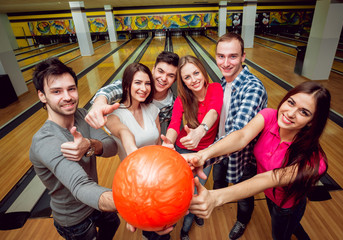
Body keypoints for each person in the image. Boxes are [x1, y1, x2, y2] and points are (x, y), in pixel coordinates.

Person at [185, 82, 331, 240]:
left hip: (286, 205)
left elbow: (269, 178)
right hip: (270, 196)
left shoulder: (315, 162)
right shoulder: (269, 116)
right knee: (291, 225)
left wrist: (215, 197)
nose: (290, 113)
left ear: (311, 122)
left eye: (304, 112)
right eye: (291, 102)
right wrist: (202, 155)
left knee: (280, 233)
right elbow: (241, 136)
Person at [29, 58, 120, 240]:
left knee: (113, 222)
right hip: (74, 219)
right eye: (56, 91)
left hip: (94, 199)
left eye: (71, 88)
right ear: (42, 96)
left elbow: (112, 147)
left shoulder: (81, 115)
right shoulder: (45, 140)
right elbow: (80, 185)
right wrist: (135, 202)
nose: (68, 96)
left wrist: (89, 144)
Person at [104, 62, 171, 240]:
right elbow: (121, 131)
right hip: (135, 183)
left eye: (147, 83)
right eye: (138, 83)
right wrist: (132, 147)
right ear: (126, 85)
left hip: (158, 178)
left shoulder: (152, 109)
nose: (144, 88)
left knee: (166, 222)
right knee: (152, 229)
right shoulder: (114, 116)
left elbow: (157, 143)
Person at [211, 32, 268, 239]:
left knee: (244, 195)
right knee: (218, 180)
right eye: (221, 56)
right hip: (220, 149)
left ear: (243, 57)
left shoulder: (252, 88)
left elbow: (238, 135)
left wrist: (203, 155)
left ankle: (242, 221)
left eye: (233, 56)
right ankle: (220, 196)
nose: (225, 63)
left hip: (242, 157)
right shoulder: (223, 81)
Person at [161, 55, 223, 240]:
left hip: (206, 153)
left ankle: (186, 228)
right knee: (180, 189)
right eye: (187, 77)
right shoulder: (182, 100)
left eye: (196, 73)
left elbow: (213, 110)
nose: (193, 80)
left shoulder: (215, 88)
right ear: (183, 82)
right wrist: (168, 142)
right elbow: (173, 124)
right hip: (183, 151)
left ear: (203, 73)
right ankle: (178, 224)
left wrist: (200, 131)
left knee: (197, 191)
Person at [85, 51, 179, 135]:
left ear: (175, 79)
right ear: (153, 69)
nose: (163, 78)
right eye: (160, 71)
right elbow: (110, 91)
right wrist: (99, 104)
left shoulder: (174, 103)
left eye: (170, 75)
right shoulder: (138, 86)